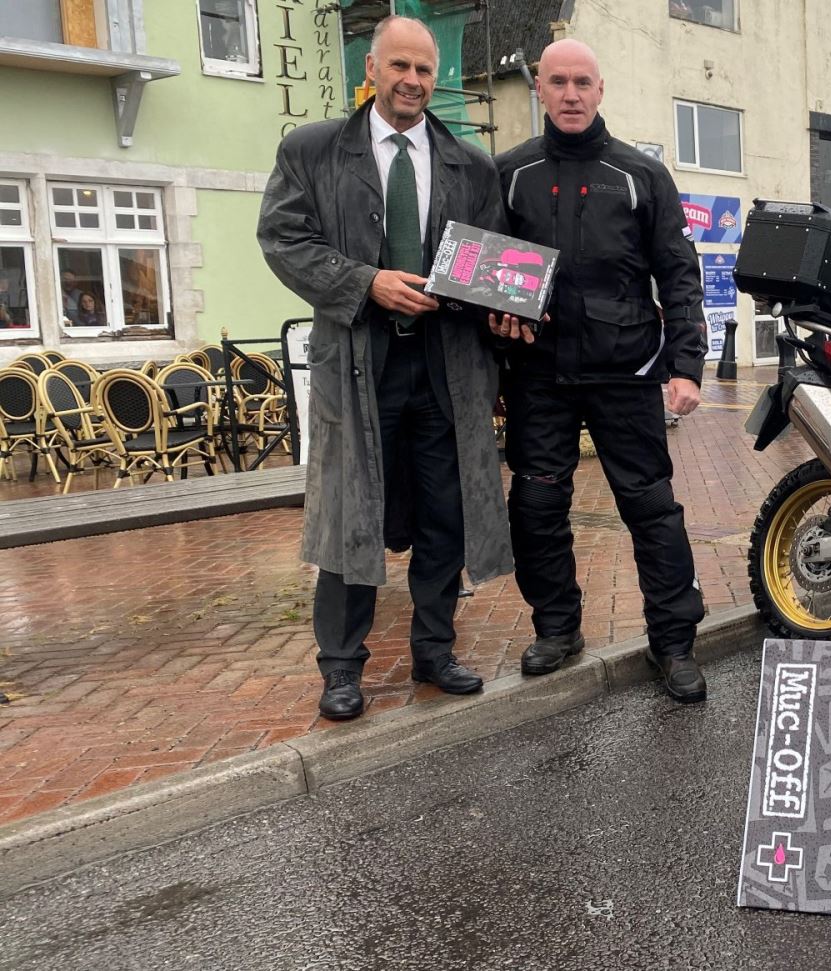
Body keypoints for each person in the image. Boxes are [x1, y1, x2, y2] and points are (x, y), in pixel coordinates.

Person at [256, 15, 515, 721]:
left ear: (438, 77)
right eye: (398, 66)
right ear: (371, 68)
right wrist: (364, 281)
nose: (412, 81)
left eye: (425, 70)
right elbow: (282, 239)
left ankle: (434, 648)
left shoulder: (470, 164)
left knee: (445, 513)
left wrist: (509, 304)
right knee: (350, 516)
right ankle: (341, 667)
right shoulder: (314, 150)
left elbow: (491, 262)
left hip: (444, 365)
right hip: (357, 361)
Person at [493, 39, 709, 703]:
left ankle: (672, 642)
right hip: (539, 375)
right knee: (534, 506)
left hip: (627, 371)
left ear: (601, 88)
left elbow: (677, 272)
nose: (569, 94)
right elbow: (488, 266)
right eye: (556, 82)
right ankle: (558, 628)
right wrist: (496, 316)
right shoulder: (509, 172)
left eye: (581, 81)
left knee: (651, 509)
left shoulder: (642, 175)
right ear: (540, 90)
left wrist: (687, 364)